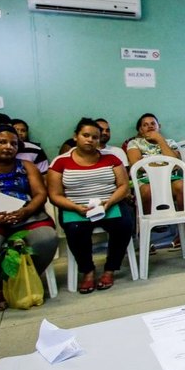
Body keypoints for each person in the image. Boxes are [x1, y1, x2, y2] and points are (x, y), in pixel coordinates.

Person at [48, 118, 133, 294]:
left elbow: (123, 186)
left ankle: (110, 269)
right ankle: (88, 271)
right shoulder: (60, 162)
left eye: (95, 137)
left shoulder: (111, 159)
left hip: (109, 204)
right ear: (75, 136)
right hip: (75, 207)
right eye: (85, 135)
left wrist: (109, 202)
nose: (90, 140)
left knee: (124, 225)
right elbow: (54, 195)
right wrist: (75, 207)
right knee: (75, 229)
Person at [0, 124, 57, 312]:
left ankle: (26, 280)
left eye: (13, 143)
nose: (8, 146)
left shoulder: (26, 166)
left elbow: (40, 194)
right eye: (2, 142)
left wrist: (25, 211)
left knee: (46, 239)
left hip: (26, 214)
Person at [126, 113, 184, 214]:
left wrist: (160, 140)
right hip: (145, 181)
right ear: (140, 130)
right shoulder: (134, 143)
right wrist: (164, 166)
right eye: (145, 125)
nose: (150, 126)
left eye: (153, 123)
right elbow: (138, 165)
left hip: (170, 180)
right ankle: (149, 225)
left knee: (182, 186)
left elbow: (176, 164)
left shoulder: (170, 142)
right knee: (147, 191)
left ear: (159, 126)